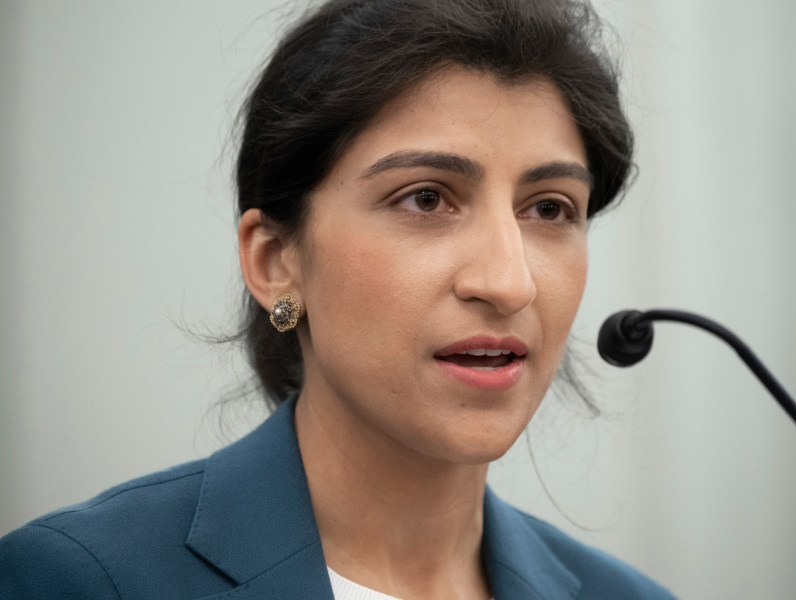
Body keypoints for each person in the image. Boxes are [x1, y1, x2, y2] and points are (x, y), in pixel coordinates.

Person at [0, 0, 675, 598]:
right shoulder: (77, 580)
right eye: (426, 198)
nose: (508, 282)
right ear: (275, 263)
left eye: (550, 209)